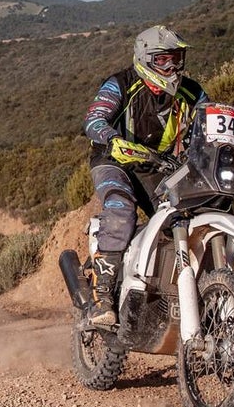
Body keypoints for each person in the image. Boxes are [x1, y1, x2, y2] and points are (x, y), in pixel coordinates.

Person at [82, 25, 208, 325]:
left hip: (159, 167)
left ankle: (182, 296)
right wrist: (112, 139)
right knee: (122, 209)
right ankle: (102, 298)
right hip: (114, 161)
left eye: (178, 58)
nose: (173, 66)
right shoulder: (121, 84)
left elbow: (210, 126)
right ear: (146, 59)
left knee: (183, 219)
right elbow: (93, 118)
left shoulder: (192, 92)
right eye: (164, 60)